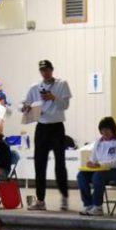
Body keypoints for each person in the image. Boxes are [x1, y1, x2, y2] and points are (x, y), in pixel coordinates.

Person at [22, 60, 72, 210]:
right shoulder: (35, 87)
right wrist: (25, 107)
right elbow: (23, 104)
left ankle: (64, 196)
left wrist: (53, 98)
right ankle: (40, 200)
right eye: (42, 70)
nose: (45, 73)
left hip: (57, 127)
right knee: (39, 164)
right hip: (42, 127)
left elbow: (65, 106)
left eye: (47, 70)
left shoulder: (62, 84)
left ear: (52, 70)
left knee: (60, 164)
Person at [77, 116, 116, 217]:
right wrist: (90, 163)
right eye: (102, 130)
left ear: (113, 129)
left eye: (107, 130)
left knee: (98, 176)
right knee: (81, 175)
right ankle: (88, 204)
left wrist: (100, 165)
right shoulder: (98, 142)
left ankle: (97, 206)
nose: (104, 133)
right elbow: (93, 158)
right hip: (101, 170)